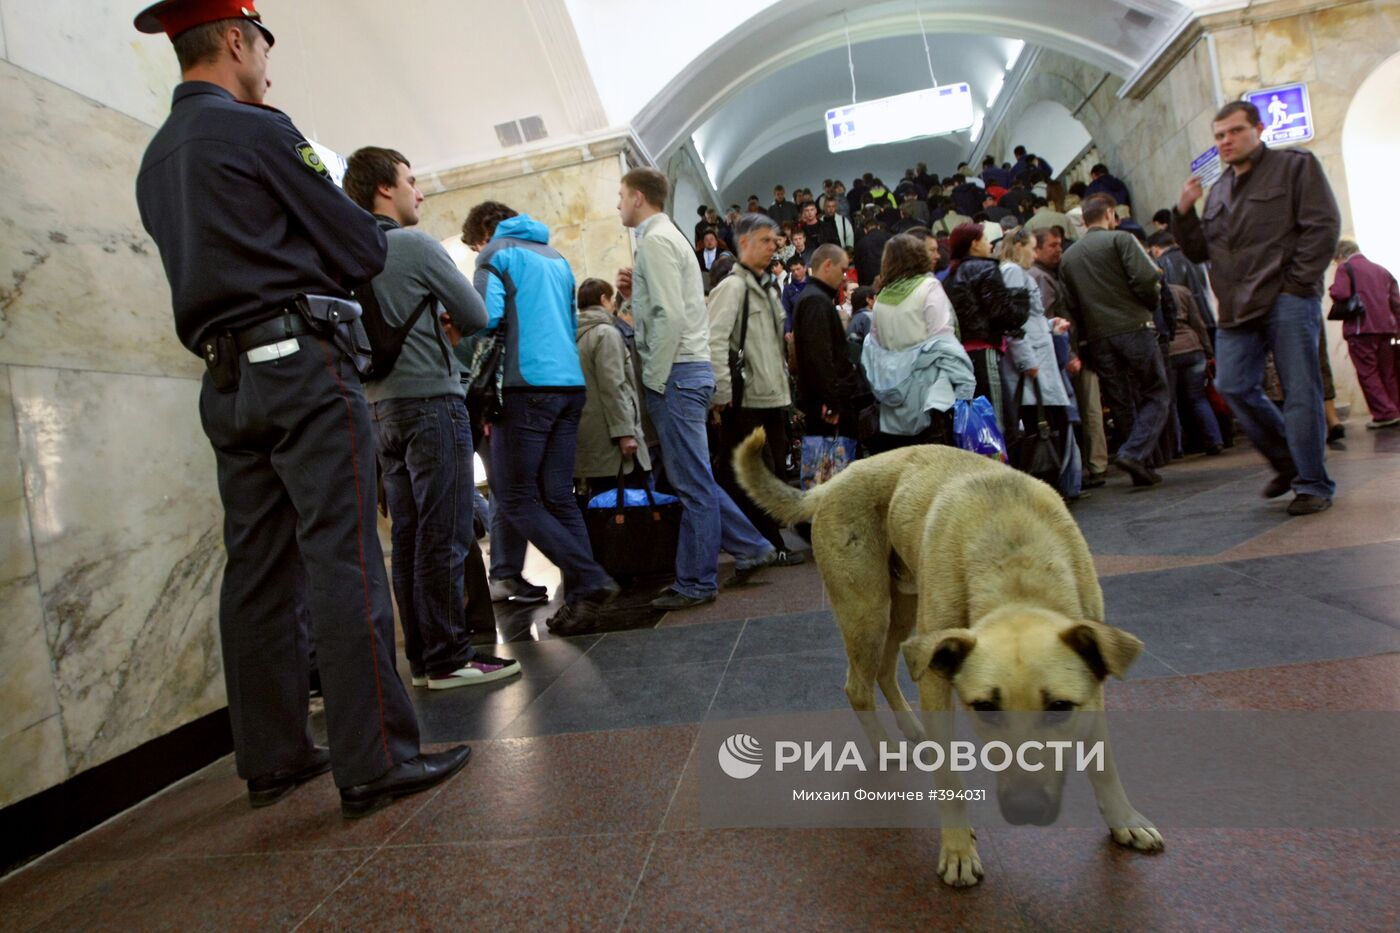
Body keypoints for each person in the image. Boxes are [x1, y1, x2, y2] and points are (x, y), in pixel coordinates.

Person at [133, 0, 468, 817]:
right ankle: (377, 758)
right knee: (343, 551)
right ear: (240, 40)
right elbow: (359, 245)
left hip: (224, 379)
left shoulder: (155, 158)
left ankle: (274, 753)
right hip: (303, 367)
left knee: (255, 569)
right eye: (265, 49)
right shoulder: (258, 129)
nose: (270, 68)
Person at [342, 147, 517, 689]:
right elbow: (477, 314)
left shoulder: (343, 253)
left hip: (378, 411)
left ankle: (422, 657)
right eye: (410, 182)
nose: (419, 192)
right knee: (445, 534)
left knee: (410, 538)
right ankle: (449, 656)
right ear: (384, 190)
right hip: (430, 402)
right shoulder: (413, 245)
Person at [615, 171, 777, 610]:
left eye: (620, 197)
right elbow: (669, 308)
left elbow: (667, 317)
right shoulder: (666, 239)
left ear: (638, 197)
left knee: (692, 485)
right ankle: (750, 546)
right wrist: (635, 296)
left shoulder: (655, 241)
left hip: (677, 373)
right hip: (686, 369)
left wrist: (653, 378)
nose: (618, 206)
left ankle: (697, 581)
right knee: (694, 477)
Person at [1173, 99, 1342, 514]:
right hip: (1236, 308)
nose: (1226, 141)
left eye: (1234, 131)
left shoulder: (1295, 166)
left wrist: (1298, 284)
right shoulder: (1217, 192)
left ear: (1258, 129)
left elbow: (1322, 225)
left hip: (1286, 298)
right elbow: (1197, 252)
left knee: (1301, 392)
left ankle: (1312, 482)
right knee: (1232, 384)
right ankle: (1288, 460)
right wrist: (1183, 211)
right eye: (1219, 136)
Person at [462, 201, 620, 633]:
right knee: (558, 495)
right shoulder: (556, 257)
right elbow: (567, 323)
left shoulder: (496, 255)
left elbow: (485, 317)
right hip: (569, 385)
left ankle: (589, 577)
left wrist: (452, 321)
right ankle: (585, 601)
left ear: (486, 232)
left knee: (514, 498)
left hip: (524, 387)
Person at [705, 212, 805, 564]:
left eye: (775, 240)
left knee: (775, 469)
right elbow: (714, 341)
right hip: (744, 399)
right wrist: (721, 393)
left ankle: (774, 538)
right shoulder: (731, 289)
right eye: (765, 240)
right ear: (743, 243)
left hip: (771, 396)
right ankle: (769, 543)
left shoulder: (765, 288)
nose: (773, 246)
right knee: (751, 474)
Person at [1059, 194, 1167, 487]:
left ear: (1083, 220)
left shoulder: (1068, 258)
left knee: (1120, 401)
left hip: (1097, 338)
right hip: (1133, 326)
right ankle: (1134, 453)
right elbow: (1147, 279)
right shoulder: (1121, 240)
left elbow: (1069, 307)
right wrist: (1148, 305)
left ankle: (1139, 465)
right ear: (1109, 214)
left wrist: (1079, 345)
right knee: (1157, 392)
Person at [862, 234, 974, 450]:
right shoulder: (929, 287)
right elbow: (944, 341)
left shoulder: (882, 296)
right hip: (928, 396)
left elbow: (874, 346)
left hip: (890, 399)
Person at [997, 230, 1082, 499]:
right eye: (1032, 249)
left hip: (1037, 359)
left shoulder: (1016, 272)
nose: (1035, 255)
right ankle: (1050, 488)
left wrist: (1049, 325)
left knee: (1050, 423)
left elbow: (1026, 320)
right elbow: (1014, 321)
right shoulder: (1013, 272)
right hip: (1034, 365)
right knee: (1046, 426)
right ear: (1019, 247)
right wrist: (1027, 361)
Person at [1031, 229, 1107, 488]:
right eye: (1052, 245)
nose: (1058, 250)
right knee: (1080, 412)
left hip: (1069, 353)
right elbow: (1049, 320)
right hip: (1064, 356)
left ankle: (1085, 469)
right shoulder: (1041, 278)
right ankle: (1083, 472)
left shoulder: (1051, 274)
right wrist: (1070, 355)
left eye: (1059, 245)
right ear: (1036, 249)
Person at [943, 223, 1030, 433]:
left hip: (962, 354)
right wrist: (1020, 297)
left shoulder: (949, 276)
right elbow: (1004, 312)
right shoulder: (985, 268)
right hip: (986, 350)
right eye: (984, 239)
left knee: (979, 422)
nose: (989, 244)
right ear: (974, 243)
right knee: (997, 420)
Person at [573, 278, 652, 493]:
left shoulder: (575, 336)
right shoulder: (606, 334)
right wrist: (625, 432)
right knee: (637, 508)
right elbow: (614, 386)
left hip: (592, 441)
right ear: (604, 299)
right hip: (615, 445)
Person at [793, 243, 870, 441]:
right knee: (832, 467)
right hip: (828, 407)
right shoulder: (816, 301)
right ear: (828, 265)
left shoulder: (816, 297)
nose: (844, 277)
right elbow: (819, 356)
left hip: (827, 401)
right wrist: (831, 402)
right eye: (842, 270)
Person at [1330, 239, 1400, 429]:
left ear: (1340, 255)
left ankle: (1385, 413)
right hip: (1386, 328)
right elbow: (1396, 302)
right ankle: (1395, 408)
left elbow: (1341, 293)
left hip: (1362, 329)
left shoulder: (1346, 269)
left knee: (1367, 372)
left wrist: (1332, 289)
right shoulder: (1382, 270)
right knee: (1388, 372)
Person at [1163, 283, 1225, 455]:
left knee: (1171, 401)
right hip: (1192, 348)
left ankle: (1176, 447)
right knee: (1198, 398)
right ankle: (1214, 439)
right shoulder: (1183, 291)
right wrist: (1208, 351)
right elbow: (1198, 324)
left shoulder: (1150, 292)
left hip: (1169, 351)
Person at [1147, 230, 1218, 337]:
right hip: (1214, 315)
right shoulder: (1199, 256)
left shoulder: (1161, 264)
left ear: (1155, 249)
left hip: (1189, 326)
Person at [853, 215, 890, 286]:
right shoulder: (890, 238)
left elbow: (858, 267)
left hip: (869, 282)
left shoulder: (861, 243)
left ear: (865, 230)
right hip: (889, 277)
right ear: (878, 227)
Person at [781, 256, 808, 332]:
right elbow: (786, 310)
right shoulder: (788, 289)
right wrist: (787, 330)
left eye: (798, 269)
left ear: (805, 268)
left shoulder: (813, 284)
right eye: (793, 271)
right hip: (798, 328)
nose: (796, 272)